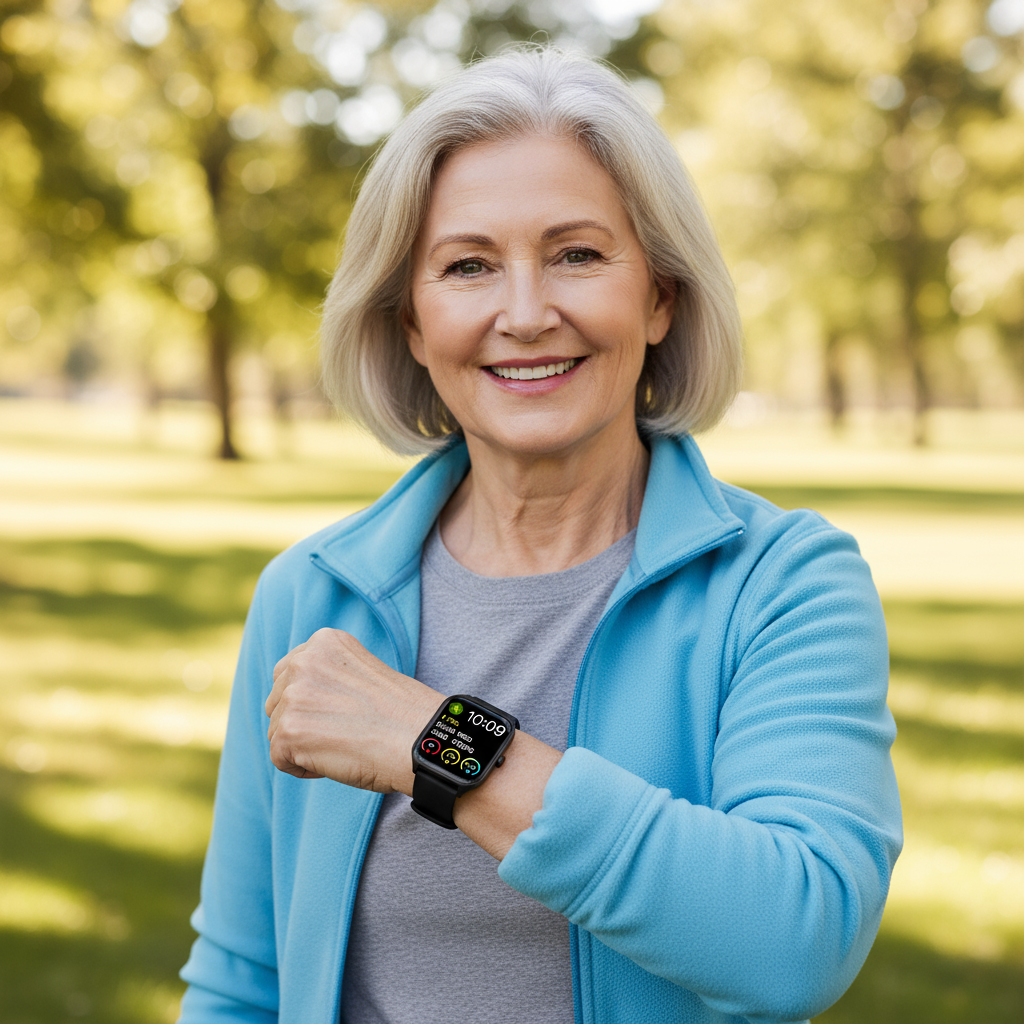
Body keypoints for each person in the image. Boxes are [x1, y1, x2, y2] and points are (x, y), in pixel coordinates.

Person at [178, 46, 902, 1024]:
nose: (524, 314)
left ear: (659, 296)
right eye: (468, 266)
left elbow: (795, 942)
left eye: (576, 254)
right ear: (410, 320)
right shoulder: (312, 597)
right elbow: (241, 983)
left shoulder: (783, 584)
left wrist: (440, 745)